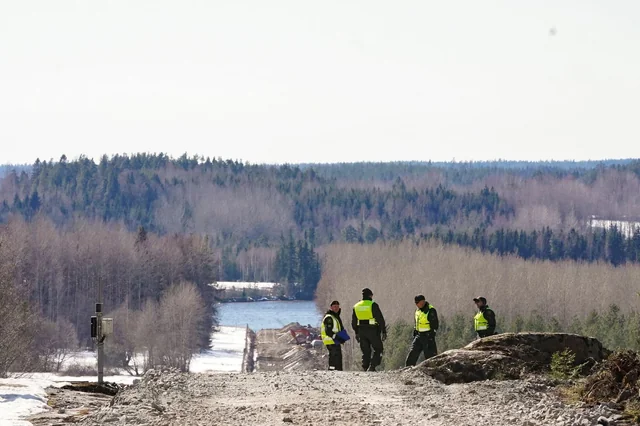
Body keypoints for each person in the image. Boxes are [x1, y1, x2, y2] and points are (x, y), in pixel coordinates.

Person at [352, 287, 387, 372]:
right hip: (372, 330)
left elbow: (353, 322)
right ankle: (372, 366)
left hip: (361, 331)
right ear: (370, 295)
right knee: (378, 349)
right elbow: (380, 318)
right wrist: (383, 331)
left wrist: (356, 333)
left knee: (365, 350)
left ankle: (365, 367)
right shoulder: (373, 304)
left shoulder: (356, 306)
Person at [405, 295, 439, 366]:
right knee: (412, 353)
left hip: (428, 336)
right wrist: (415, 331)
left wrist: (431, 335)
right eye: (416, 303)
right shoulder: (417, 310)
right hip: (419, 335)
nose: (417, 304)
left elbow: (435, 324)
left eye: (418, 302)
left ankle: (432, 371)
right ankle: (408, 369)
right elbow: (417, 322)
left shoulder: (430, 310)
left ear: (423, 301)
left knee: (430, 357)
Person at [321, 300, 346, 371]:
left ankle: (337, 370)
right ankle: (332, 370)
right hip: (330, 340)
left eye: (337, 306)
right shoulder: (329, 317)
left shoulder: (335, 316)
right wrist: (338, 337)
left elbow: (339, 328)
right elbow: (328, 331)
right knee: (334, 356)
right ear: (331, 307)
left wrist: (343, 338)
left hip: (335, 340)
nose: (336, 308)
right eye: (334, 306)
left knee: (337, 356)